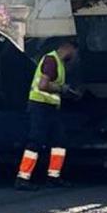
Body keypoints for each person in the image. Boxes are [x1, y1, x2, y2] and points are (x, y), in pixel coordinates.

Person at [16, 40, 79, 190]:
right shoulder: (51, 60)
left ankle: (53, 177)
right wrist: (62, 89)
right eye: (75, 52)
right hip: (40, 106)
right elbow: (43, 85)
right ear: (68, 48)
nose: (76, 57)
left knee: (59, 141)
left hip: (50, 108)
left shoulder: (59, 63)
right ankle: (22, 178)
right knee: (35, 141)